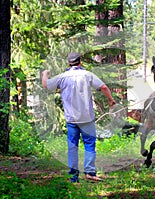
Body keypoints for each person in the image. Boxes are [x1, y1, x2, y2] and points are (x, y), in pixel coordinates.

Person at [41, 52, 116, 183]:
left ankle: (73, 177)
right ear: (80, 61)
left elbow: (46, 85)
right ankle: (90, 173)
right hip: (87, 118)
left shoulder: (62, 77)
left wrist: (44, 75)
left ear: (69, 63)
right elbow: (103, 87)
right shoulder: (87, 75)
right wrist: (111, 100)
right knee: (89, 144)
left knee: (72, 147)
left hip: (71, 119)